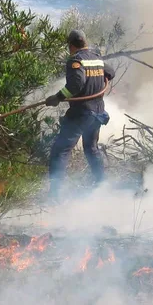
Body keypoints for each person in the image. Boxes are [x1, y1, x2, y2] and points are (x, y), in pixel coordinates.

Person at [44, 29, 115, 197]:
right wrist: (99, 77)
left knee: (60, 151)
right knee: (91, 149)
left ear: (71, 46)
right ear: (85, 43)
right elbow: (111, 72)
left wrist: (57, 97)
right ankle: (101, 186)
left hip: (81, 113)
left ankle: (55, 195)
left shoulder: (75, 60)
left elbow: (76, 85)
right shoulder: (96, 58)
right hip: (98, 112)